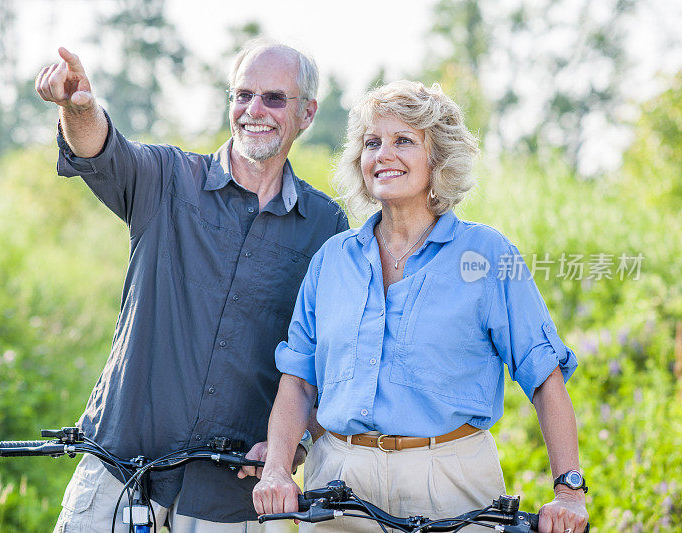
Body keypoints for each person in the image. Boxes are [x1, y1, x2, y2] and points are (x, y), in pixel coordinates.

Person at [34, 39, 348, 532]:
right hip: (120, 473)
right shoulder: (166, 177)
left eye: (273, 98)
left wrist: (295, 442)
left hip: (227, 495)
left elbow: (325, 357)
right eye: (242, 95)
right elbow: (99, 148)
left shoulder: (325, 225)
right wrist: (81, 108)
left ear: (307, 113)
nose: (253, 110)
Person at [251, 80, 589, 533]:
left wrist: (568, 492)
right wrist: (276, 468)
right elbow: (298, 383)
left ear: (438, 158)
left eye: (404, 141)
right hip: (338, 485)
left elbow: (544, 375)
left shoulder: (486, 255)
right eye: (373, 143)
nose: (383, 155)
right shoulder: (331, 260)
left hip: (453, 481)